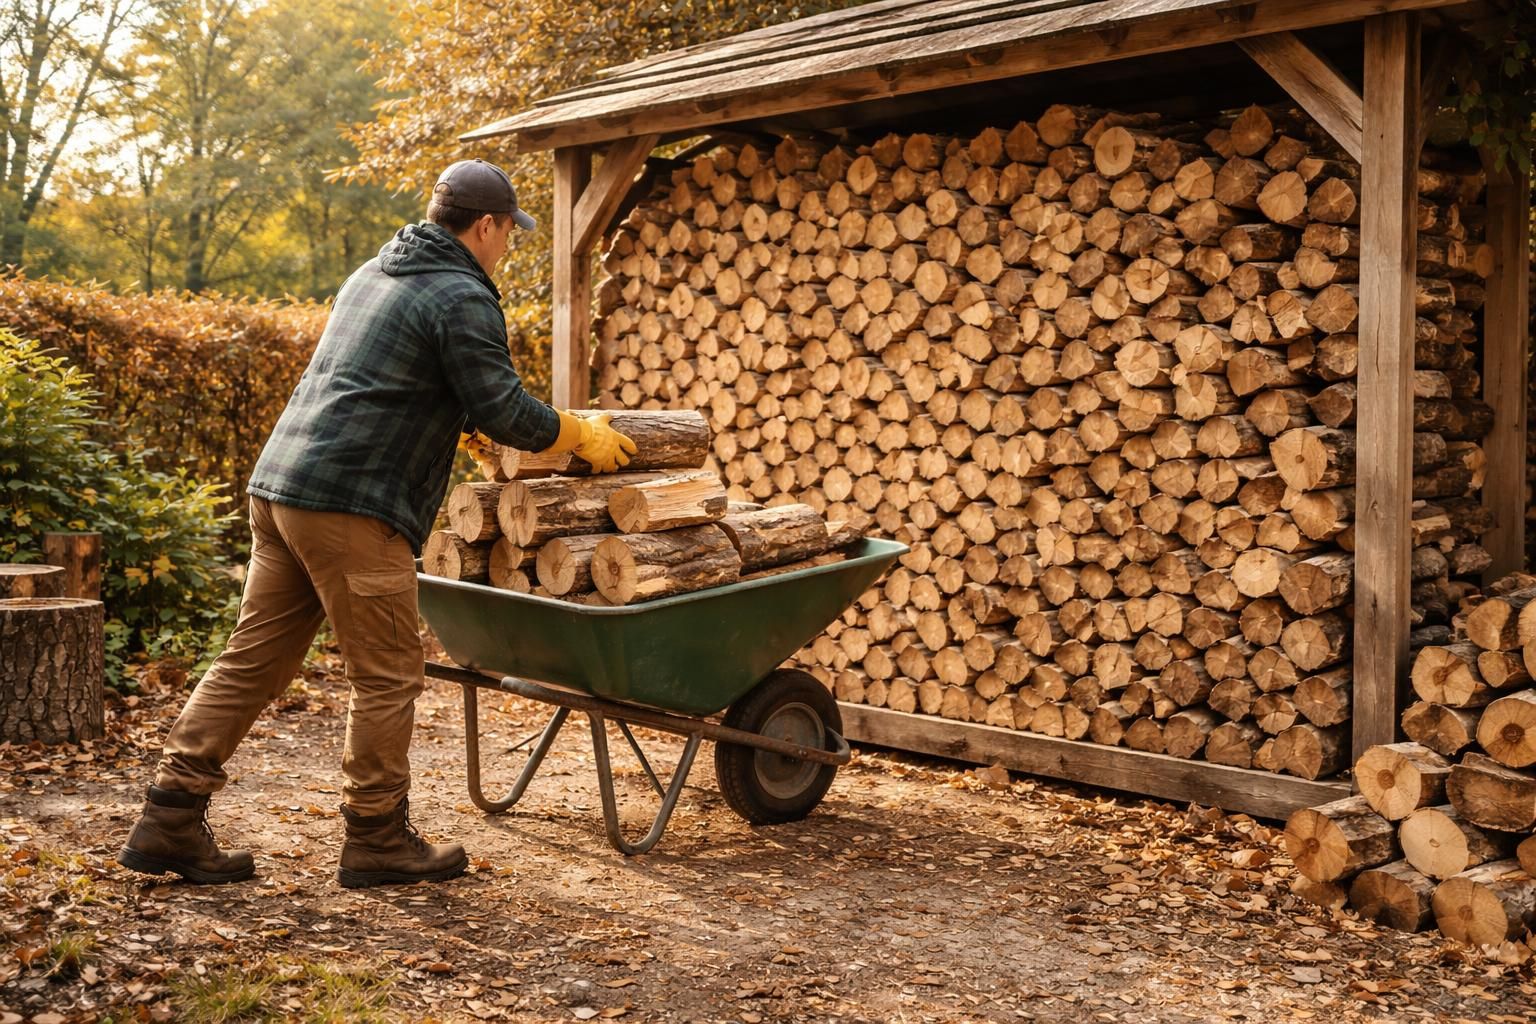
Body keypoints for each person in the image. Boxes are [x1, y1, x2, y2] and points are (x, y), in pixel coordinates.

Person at [118, 159, 635, 888]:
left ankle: (167, 817)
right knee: (388, 675)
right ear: (486, 226)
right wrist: (578, 433)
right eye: (507, 233)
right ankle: (377, 837)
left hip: (282, 489)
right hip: (352, 506)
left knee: (252, 659)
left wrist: (458, 423)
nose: (506, 246)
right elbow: (506, 410)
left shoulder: (374, 273)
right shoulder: (462, 293)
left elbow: (384, 383)